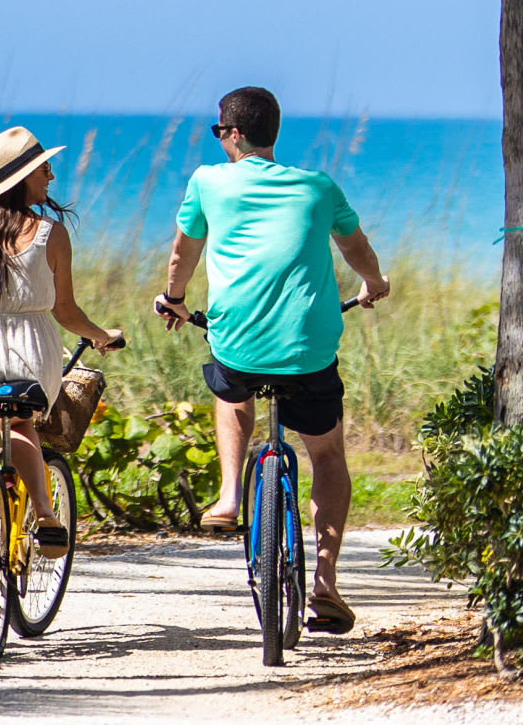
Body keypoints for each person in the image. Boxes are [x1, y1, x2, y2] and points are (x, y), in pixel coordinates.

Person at [152, 85, 391, 635]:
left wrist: (176, 298)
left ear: (233, 134)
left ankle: (231, 493)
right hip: (309, 349)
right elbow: (357, 249)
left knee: (229, 386)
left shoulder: (207, 182)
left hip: (239, 342)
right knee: (328, 455)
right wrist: (373, 284)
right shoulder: (318, 186)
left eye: (219, 132)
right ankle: (326, 584)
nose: (219, 142)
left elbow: (182, 253)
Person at [0, 125, 124, 604]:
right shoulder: (49, 234)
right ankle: (43, 511)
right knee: (22, 423)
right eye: (43, 169)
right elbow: (66, 312)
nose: (51, 175)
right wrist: (102, 337)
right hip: (30, 352)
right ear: (22, 179)